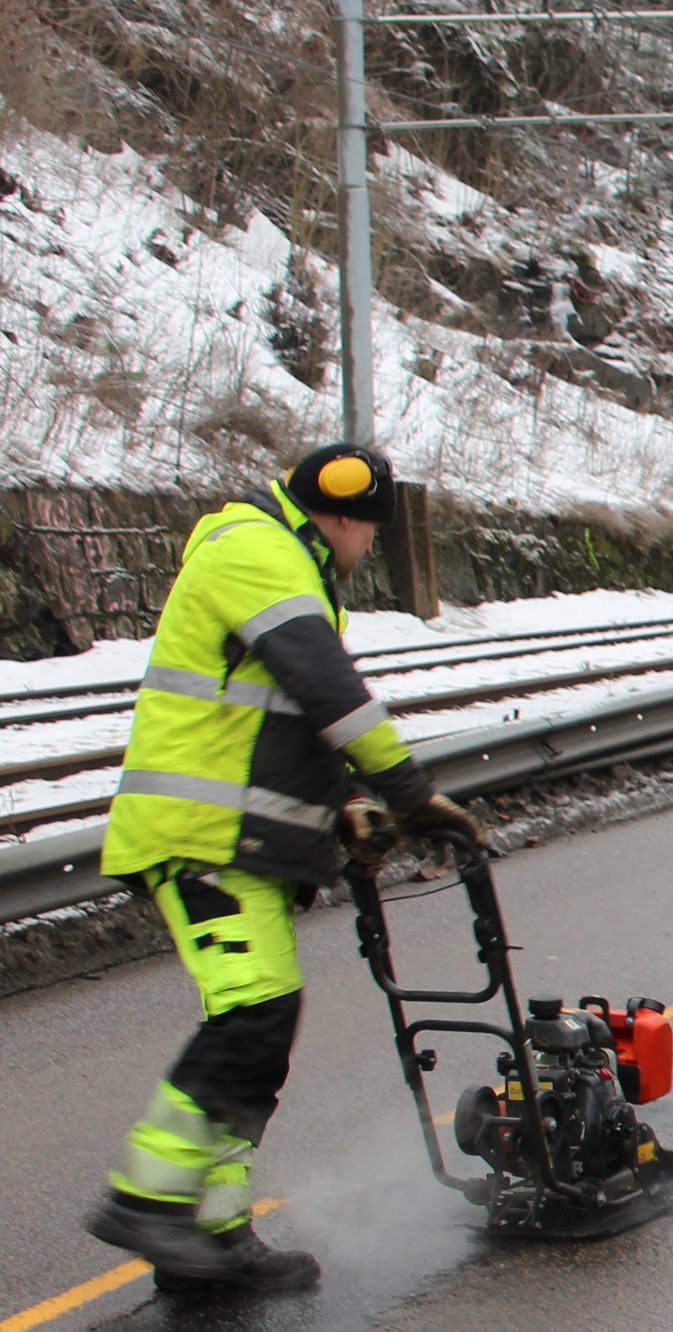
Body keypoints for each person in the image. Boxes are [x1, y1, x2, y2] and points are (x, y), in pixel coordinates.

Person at [86, 443, 482, 1292]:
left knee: (257, 1033)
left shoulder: (280, 562)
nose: (367, 547)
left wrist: (343, 804)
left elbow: (282, 717)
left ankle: (216, 1243)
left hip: (241, 843)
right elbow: (327, 687)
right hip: (202, 839)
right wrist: (407, 792)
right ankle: (147, 1202)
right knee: (255, 1017)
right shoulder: (256, 554)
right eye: (368, 531)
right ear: (343, 515)